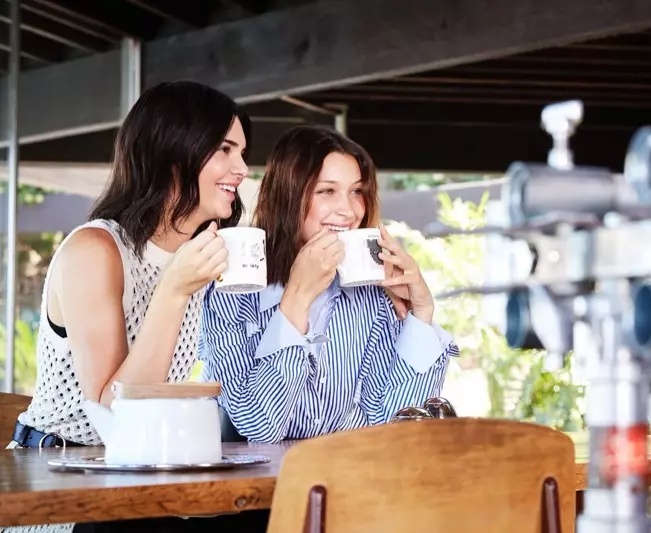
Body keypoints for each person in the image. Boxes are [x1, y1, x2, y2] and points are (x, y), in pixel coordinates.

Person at [3, 80, 250, 533]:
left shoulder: (197, 261)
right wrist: (173, 293)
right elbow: (114, 412)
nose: (243, 168)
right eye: (225, 149)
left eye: (241, 152)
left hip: (137, 488)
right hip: (59, 492)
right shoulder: (95, 250)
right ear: (173, 153)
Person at [200, 124, 459, 444]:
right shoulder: (233, 292)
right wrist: (297, 298)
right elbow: (260, 428)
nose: (349, 210)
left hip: (341, 484)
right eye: (327, 191)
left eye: (357, 192)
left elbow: (394, 424)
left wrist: (421, 316)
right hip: (253, 489)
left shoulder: (369, 293)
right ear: (289, 196)